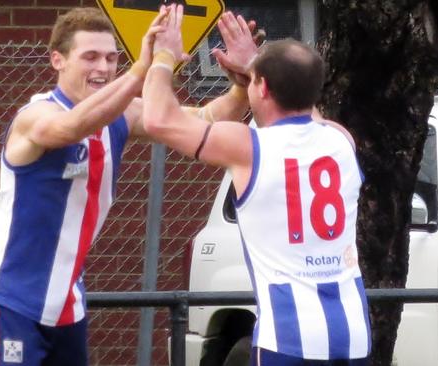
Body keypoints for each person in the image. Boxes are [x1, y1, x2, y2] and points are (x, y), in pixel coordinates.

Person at [0, 6, 257, 366]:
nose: (103, 68)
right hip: (13, 299)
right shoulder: (36, 116)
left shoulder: (122, 113)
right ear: (57, 60)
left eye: (111, 58)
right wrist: (145, 67)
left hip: (67, 303)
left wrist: (242, 87)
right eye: (90, 57)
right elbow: (68, 129)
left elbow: (204, 119)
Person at [142, 5, 371, 365]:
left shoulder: (248, 146)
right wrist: (256, 66)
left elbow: (156, 119)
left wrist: (163, 56)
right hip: (353, 332)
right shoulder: (341, 140)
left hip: (288, 336)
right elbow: (304, 107)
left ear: (261, 86)